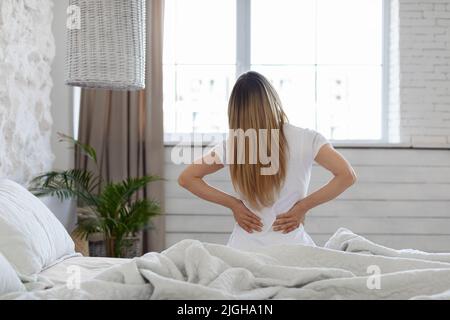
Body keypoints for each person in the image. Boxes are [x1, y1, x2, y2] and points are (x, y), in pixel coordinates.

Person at [178, 71, 357, 251]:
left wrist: (234, 205)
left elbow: (187, 178)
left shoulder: (233, 145)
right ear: (273, 100)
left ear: (235, 110)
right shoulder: (306, 138)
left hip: (243, 251)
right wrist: (303, 207)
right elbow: (347, 175)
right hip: (293, 249)